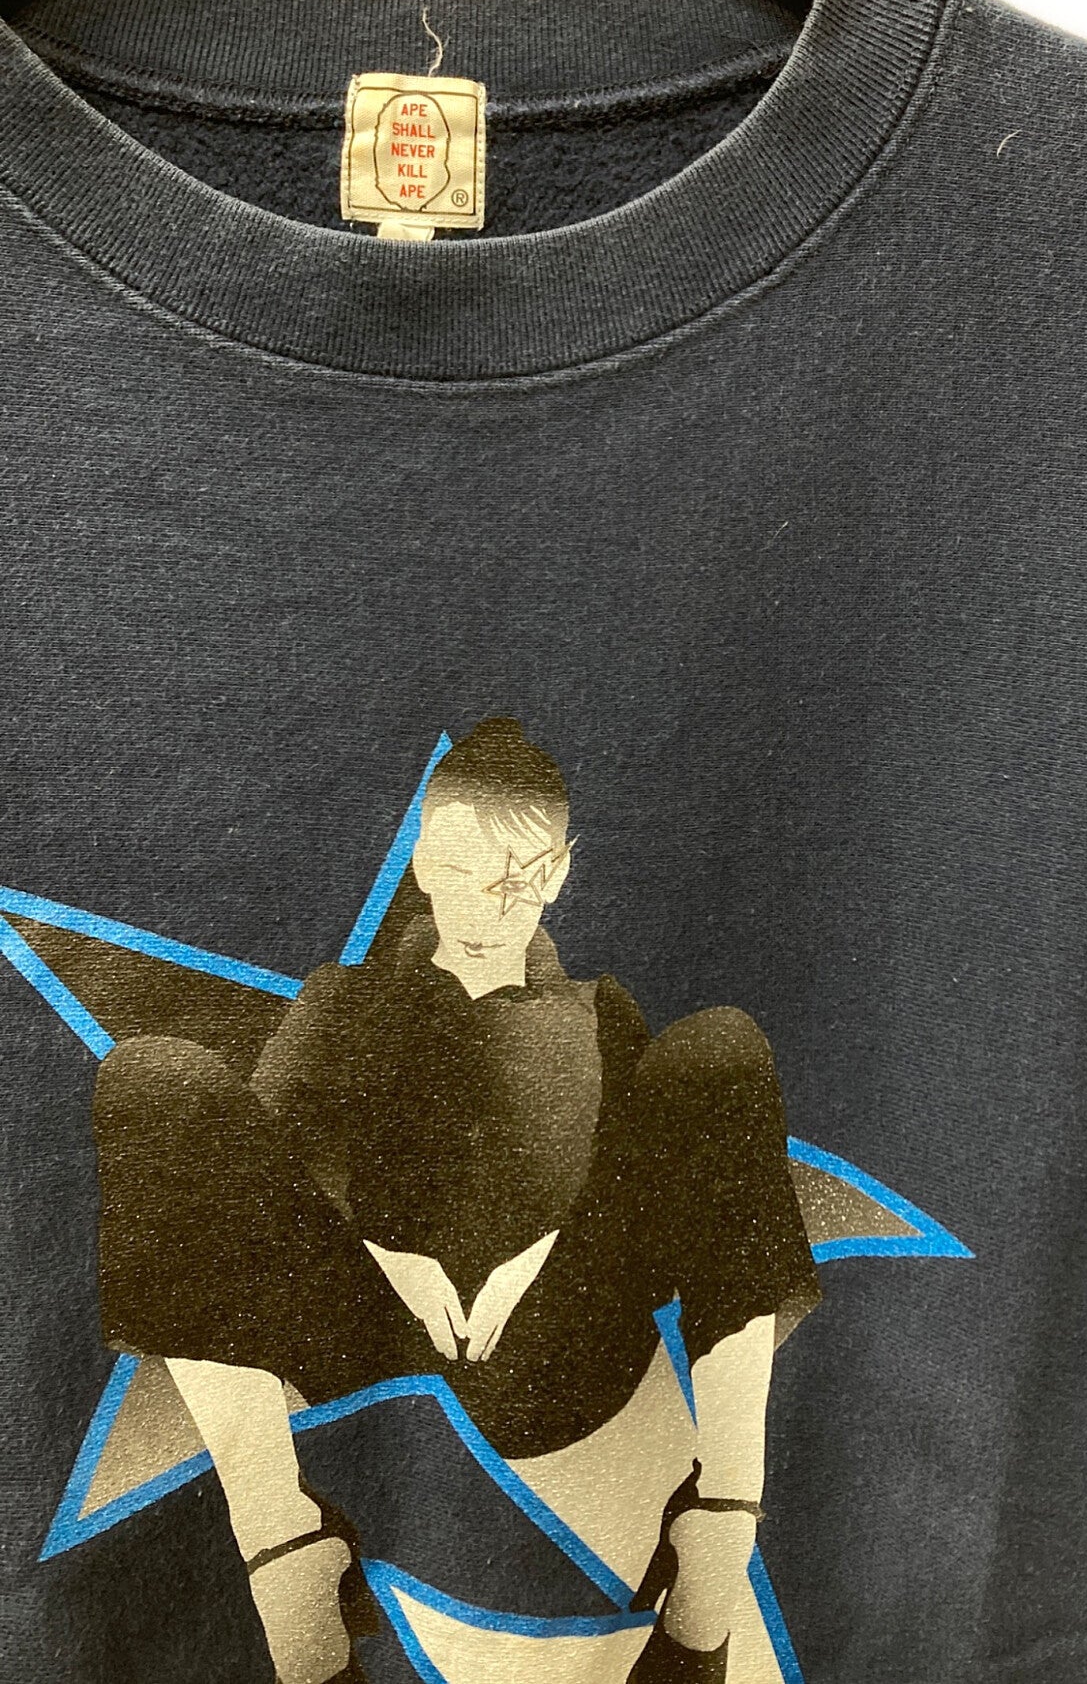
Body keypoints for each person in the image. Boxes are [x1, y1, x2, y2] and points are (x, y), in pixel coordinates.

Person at [89, 717, 822, 1684]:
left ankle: (718, 1529)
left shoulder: (599, 1012)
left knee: (720, 1048)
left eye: (521, 874)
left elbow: (656, 1190)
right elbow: (264, 1174)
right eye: (464, 868)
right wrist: (383, 1250)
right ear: (423, 863)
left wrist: (551, 1247)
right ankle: (283, 1548)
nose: (491, 901)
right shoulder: (344, 1002)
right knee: (153, 1080)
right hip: (371, 1336)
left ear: (560, 872)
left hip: (561, 1343)